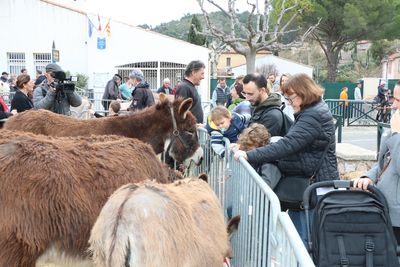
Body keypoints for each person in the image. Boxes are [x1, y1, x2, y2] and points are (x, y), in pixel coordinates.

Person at [234, 73, 339, 242]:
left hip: (314, 187)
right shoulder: (311, 110)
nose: (289, 103)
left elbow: (287, 145)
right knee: (299, 239)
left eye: (291, 99)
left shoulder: (313, 115)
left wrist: (249, 154)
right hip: (308, 185)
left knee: (307, 241)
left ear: (303, 93)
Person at [353, 84, 400, 245]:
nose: (394, 105)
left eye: (399, 100)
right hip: (383, 208)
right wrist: (369, 176)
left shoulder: (396, 131)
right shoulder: (395, 127)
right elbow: (385, 161)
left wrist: (396, 136)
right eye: (394, 98)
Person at [236, 123, 281, 189]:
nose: (248, 151)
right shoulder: (256, 156)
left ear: (261, 144)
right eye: (247, 148)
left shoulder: (271, 161)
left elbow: (267, 186)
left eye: (250, 148)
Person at [242, 73, 287, 137]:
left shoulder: (272, 116)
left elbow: (260, 144)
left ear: (262, 90)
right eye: (244, 93)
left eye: (250, 94)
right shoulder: (256, 106)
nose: (246, 98)